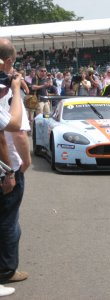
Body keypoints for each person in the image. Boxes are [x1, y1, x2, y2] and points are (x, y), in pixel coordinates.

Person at [0, 38, 31, 288]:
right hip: (7, 167)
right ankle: (6, 270)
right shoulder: (10, 93)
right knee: (9, 222)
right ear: (8, 61)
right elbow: (16, 129)